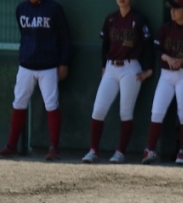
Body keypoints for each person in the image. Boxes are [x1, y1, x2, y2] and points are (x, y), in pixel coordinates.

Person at [81, 0, 153, 164]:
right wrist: (103, 66)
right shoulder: (110, 19)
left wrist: (148, 69)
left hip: (130, 67)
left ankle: (120, 152)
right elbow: (105, 44)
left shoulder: (139, 19)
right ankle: (93, 151)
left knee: (125, 111)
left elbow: (148, 45)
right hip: (111, 67)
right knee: (98, 109)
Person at [0, 0, 71, 160]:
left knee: (51, 104)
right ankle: (12, 145)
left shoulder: (54, 8)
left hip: (48, 65)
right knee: (19, 102)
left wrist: (64, 62)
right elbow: (24, 34)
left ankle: (54, 147)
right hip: (26, 65)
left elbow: (65, 36)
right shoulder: (21, 8)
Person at [141, 0, 183, 165]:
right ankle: (150, 150)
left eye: (177, 8)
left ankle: (182, 152)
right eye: (172, 8)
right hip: (166, 74)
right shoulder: (165, 28)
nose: (173, 11)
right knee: (157, 111)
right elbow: (157, 49)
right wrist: (168, 58)